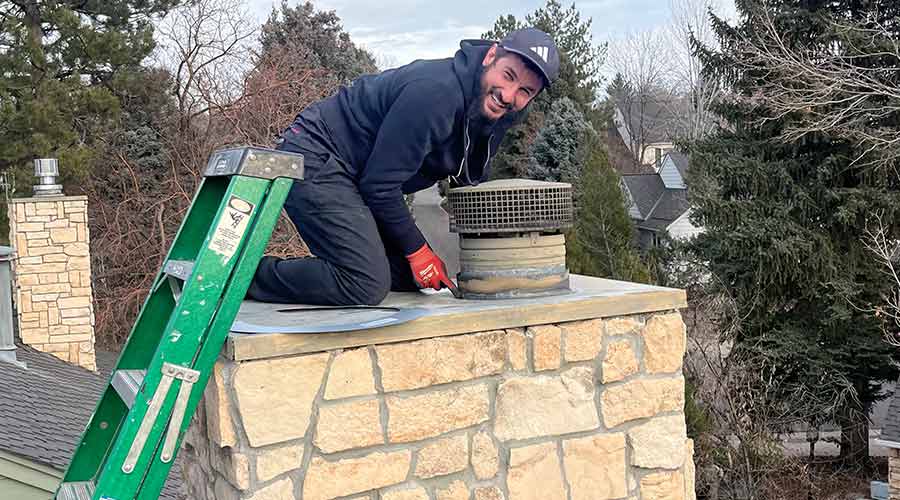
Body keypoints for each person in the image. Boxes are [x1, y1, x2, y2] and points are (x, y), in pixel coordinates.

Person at [247, 27, 560, 306]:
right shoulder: (435, 94)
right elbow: (379, 186)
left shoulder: (501, 110)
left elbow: (472, 177)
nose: (509, 95)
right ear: (490, 56)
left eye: (525, 92)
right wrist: (419, 251)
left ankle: (353, 264)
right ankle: (241, 276)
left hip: (361, 176)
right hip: (318, 152)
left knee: (411, 277)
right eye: (508, 76)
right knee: (365, 283)